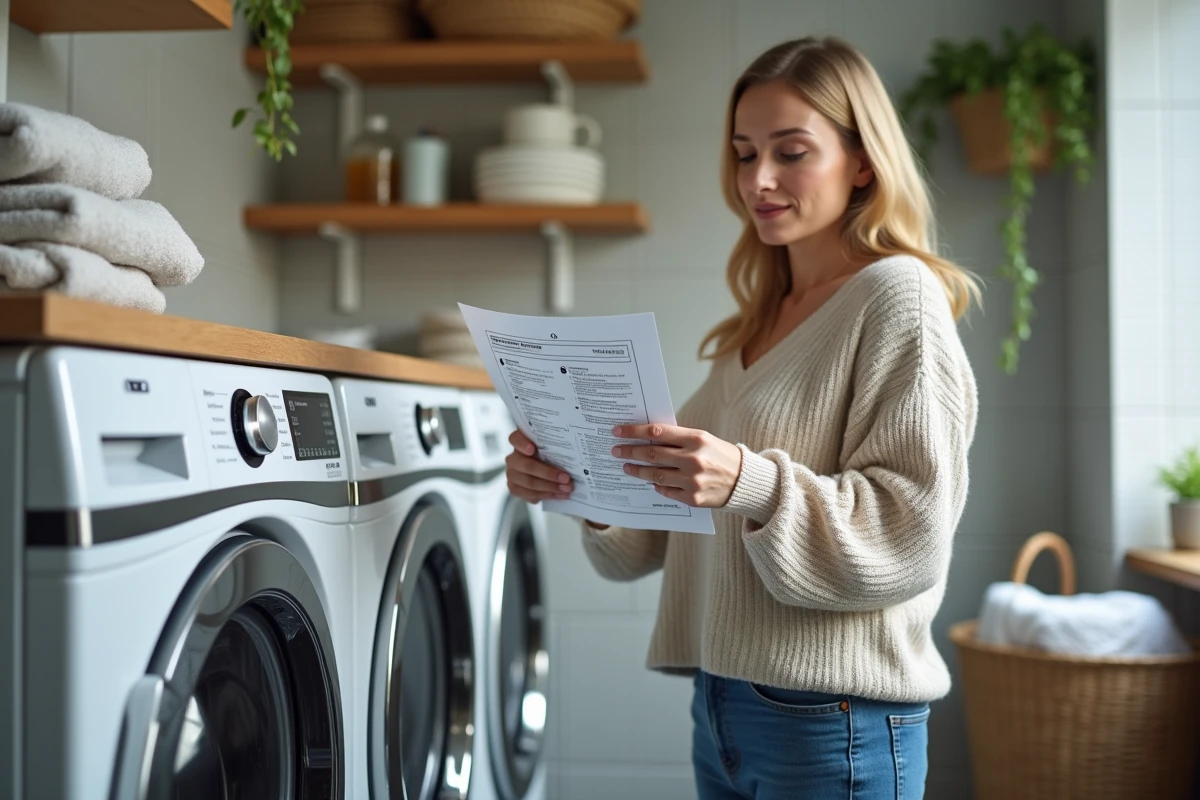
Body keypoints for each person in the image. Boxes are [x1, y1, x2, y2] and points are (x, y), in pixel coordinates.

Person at [504, 35, 978, 800]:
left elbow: (913, 531)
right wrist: (575, 483)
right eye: (743, 152)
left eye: (791, 152)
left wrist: (750, 483)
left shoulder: (898, 297)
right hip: (724, 706)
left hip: (837, 721)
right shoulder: (760, 322)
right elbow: (645, 540)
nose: (759, 179)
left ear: (862, 162)